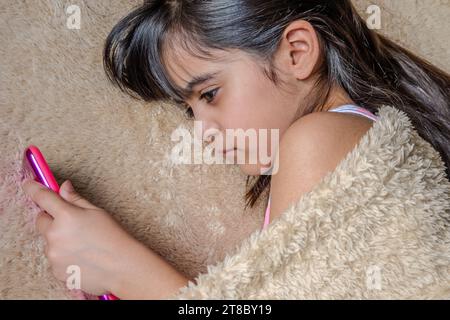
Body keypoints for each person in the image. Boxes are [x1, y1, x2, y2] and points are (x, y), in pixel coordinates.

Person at [22, 0, 450, 299]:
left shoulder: (319, 138)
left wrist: (122, 265)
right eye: (190, 112)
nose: (203, 132)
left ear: (296, 53)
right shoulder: (347, 146)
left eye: (209, 94)